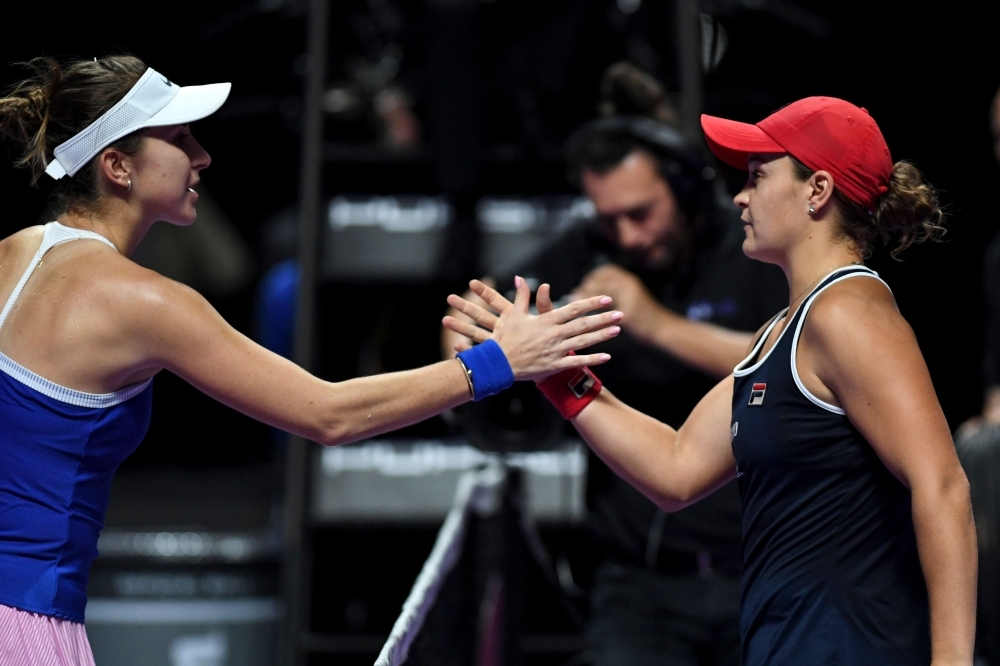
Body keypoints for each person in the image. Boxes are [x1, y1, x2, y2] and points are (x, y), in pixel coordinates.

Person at [0, 56, 621, 664]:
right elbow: (330, 414)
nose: (202, 156)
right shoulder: (145, 301)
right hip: (27, 619)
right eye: (181, 139)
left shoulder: (13, 255)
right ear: (116, 166)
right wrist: (499, 362)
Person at [445, 97, 978, 665]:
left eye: (757, 176)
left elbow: (943, 488)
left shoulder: (849, 312)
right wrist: (551, 371)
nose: (740, 196)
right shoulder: (783, 331)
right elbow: (675, 469)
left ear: (817, 191)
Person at [443, 68, 786, 666]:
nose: (627, 236)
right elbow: (471, 320)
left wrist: (654, 323)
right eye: (609, 219)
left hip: (767, 569)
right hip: (637, 584)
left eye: (641, 213)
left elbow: (793, 363)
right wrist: (474, 339)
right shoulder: (591, 248)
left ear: (682, 188)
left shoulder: (753, 246)